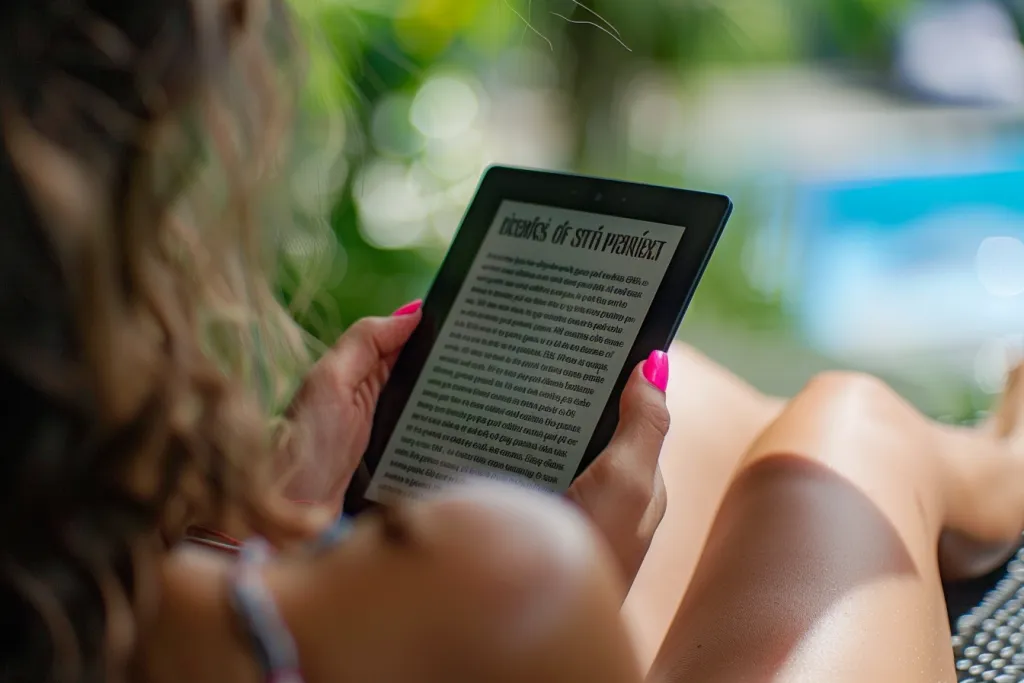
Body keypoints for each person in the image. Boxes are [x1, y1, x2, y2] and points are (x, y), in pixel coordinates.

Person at [4, 2, 1024, 683]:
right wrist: (561, 576)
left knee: (692, 395)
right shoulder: (486, 588)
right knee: (843, 429)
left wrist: (252, 541)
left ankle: (976, 464)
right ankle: (988, 465)